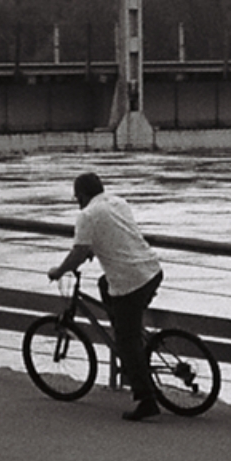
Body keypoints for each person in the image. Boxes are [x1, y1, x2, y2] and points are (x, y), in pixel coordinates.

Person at [49, 172, 166, 420]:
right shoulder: (117, 202)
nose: (77, 202)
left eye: (77, 198)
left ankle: (147, 401)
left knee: (126, 341)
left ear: (81, 196)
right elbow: (114, 234)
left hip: (131, 282)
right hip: (151, 270)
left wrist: (59, 271)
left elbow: (78, 252)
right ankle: (124, 327)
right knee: (105, 284)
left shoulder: (87, 215)